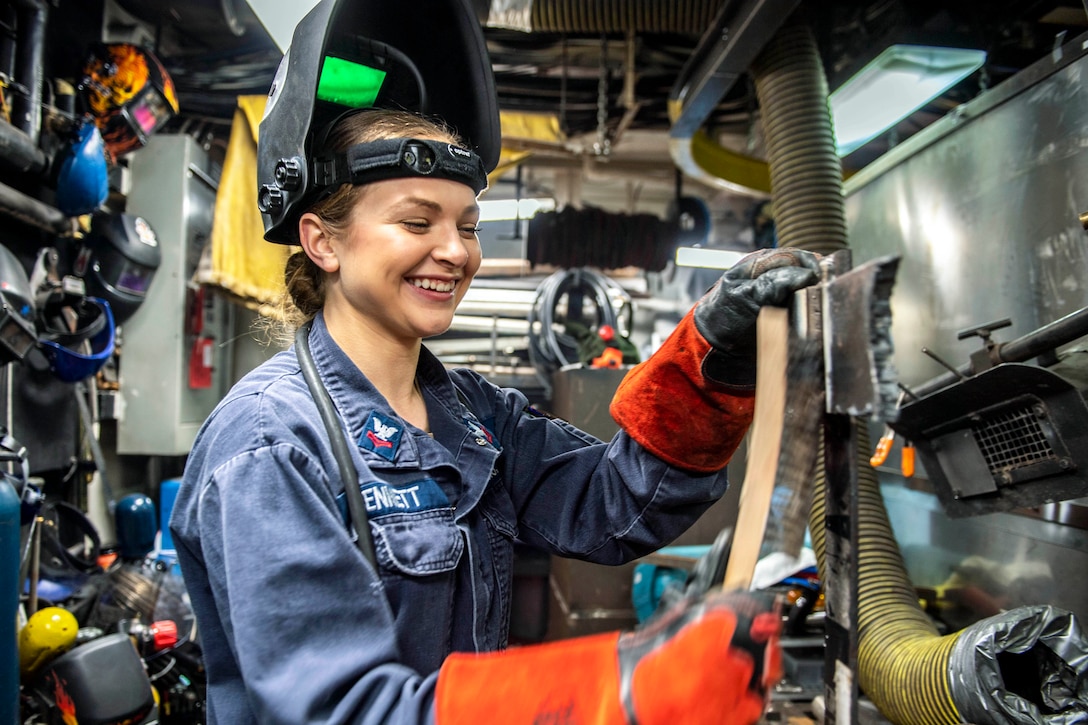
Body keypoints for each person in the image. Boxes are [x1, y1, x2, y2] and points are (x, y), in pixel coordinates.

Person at [169, 103, 821, 723]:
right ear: (322, 241)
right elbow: (341, 709)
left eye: (469, 225)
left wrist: (711, 363)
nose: (456, 251)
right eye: (419, 223)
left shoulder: (471, 414)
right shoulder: (271, 442)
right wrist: (616, 692)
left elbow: (615, 505)